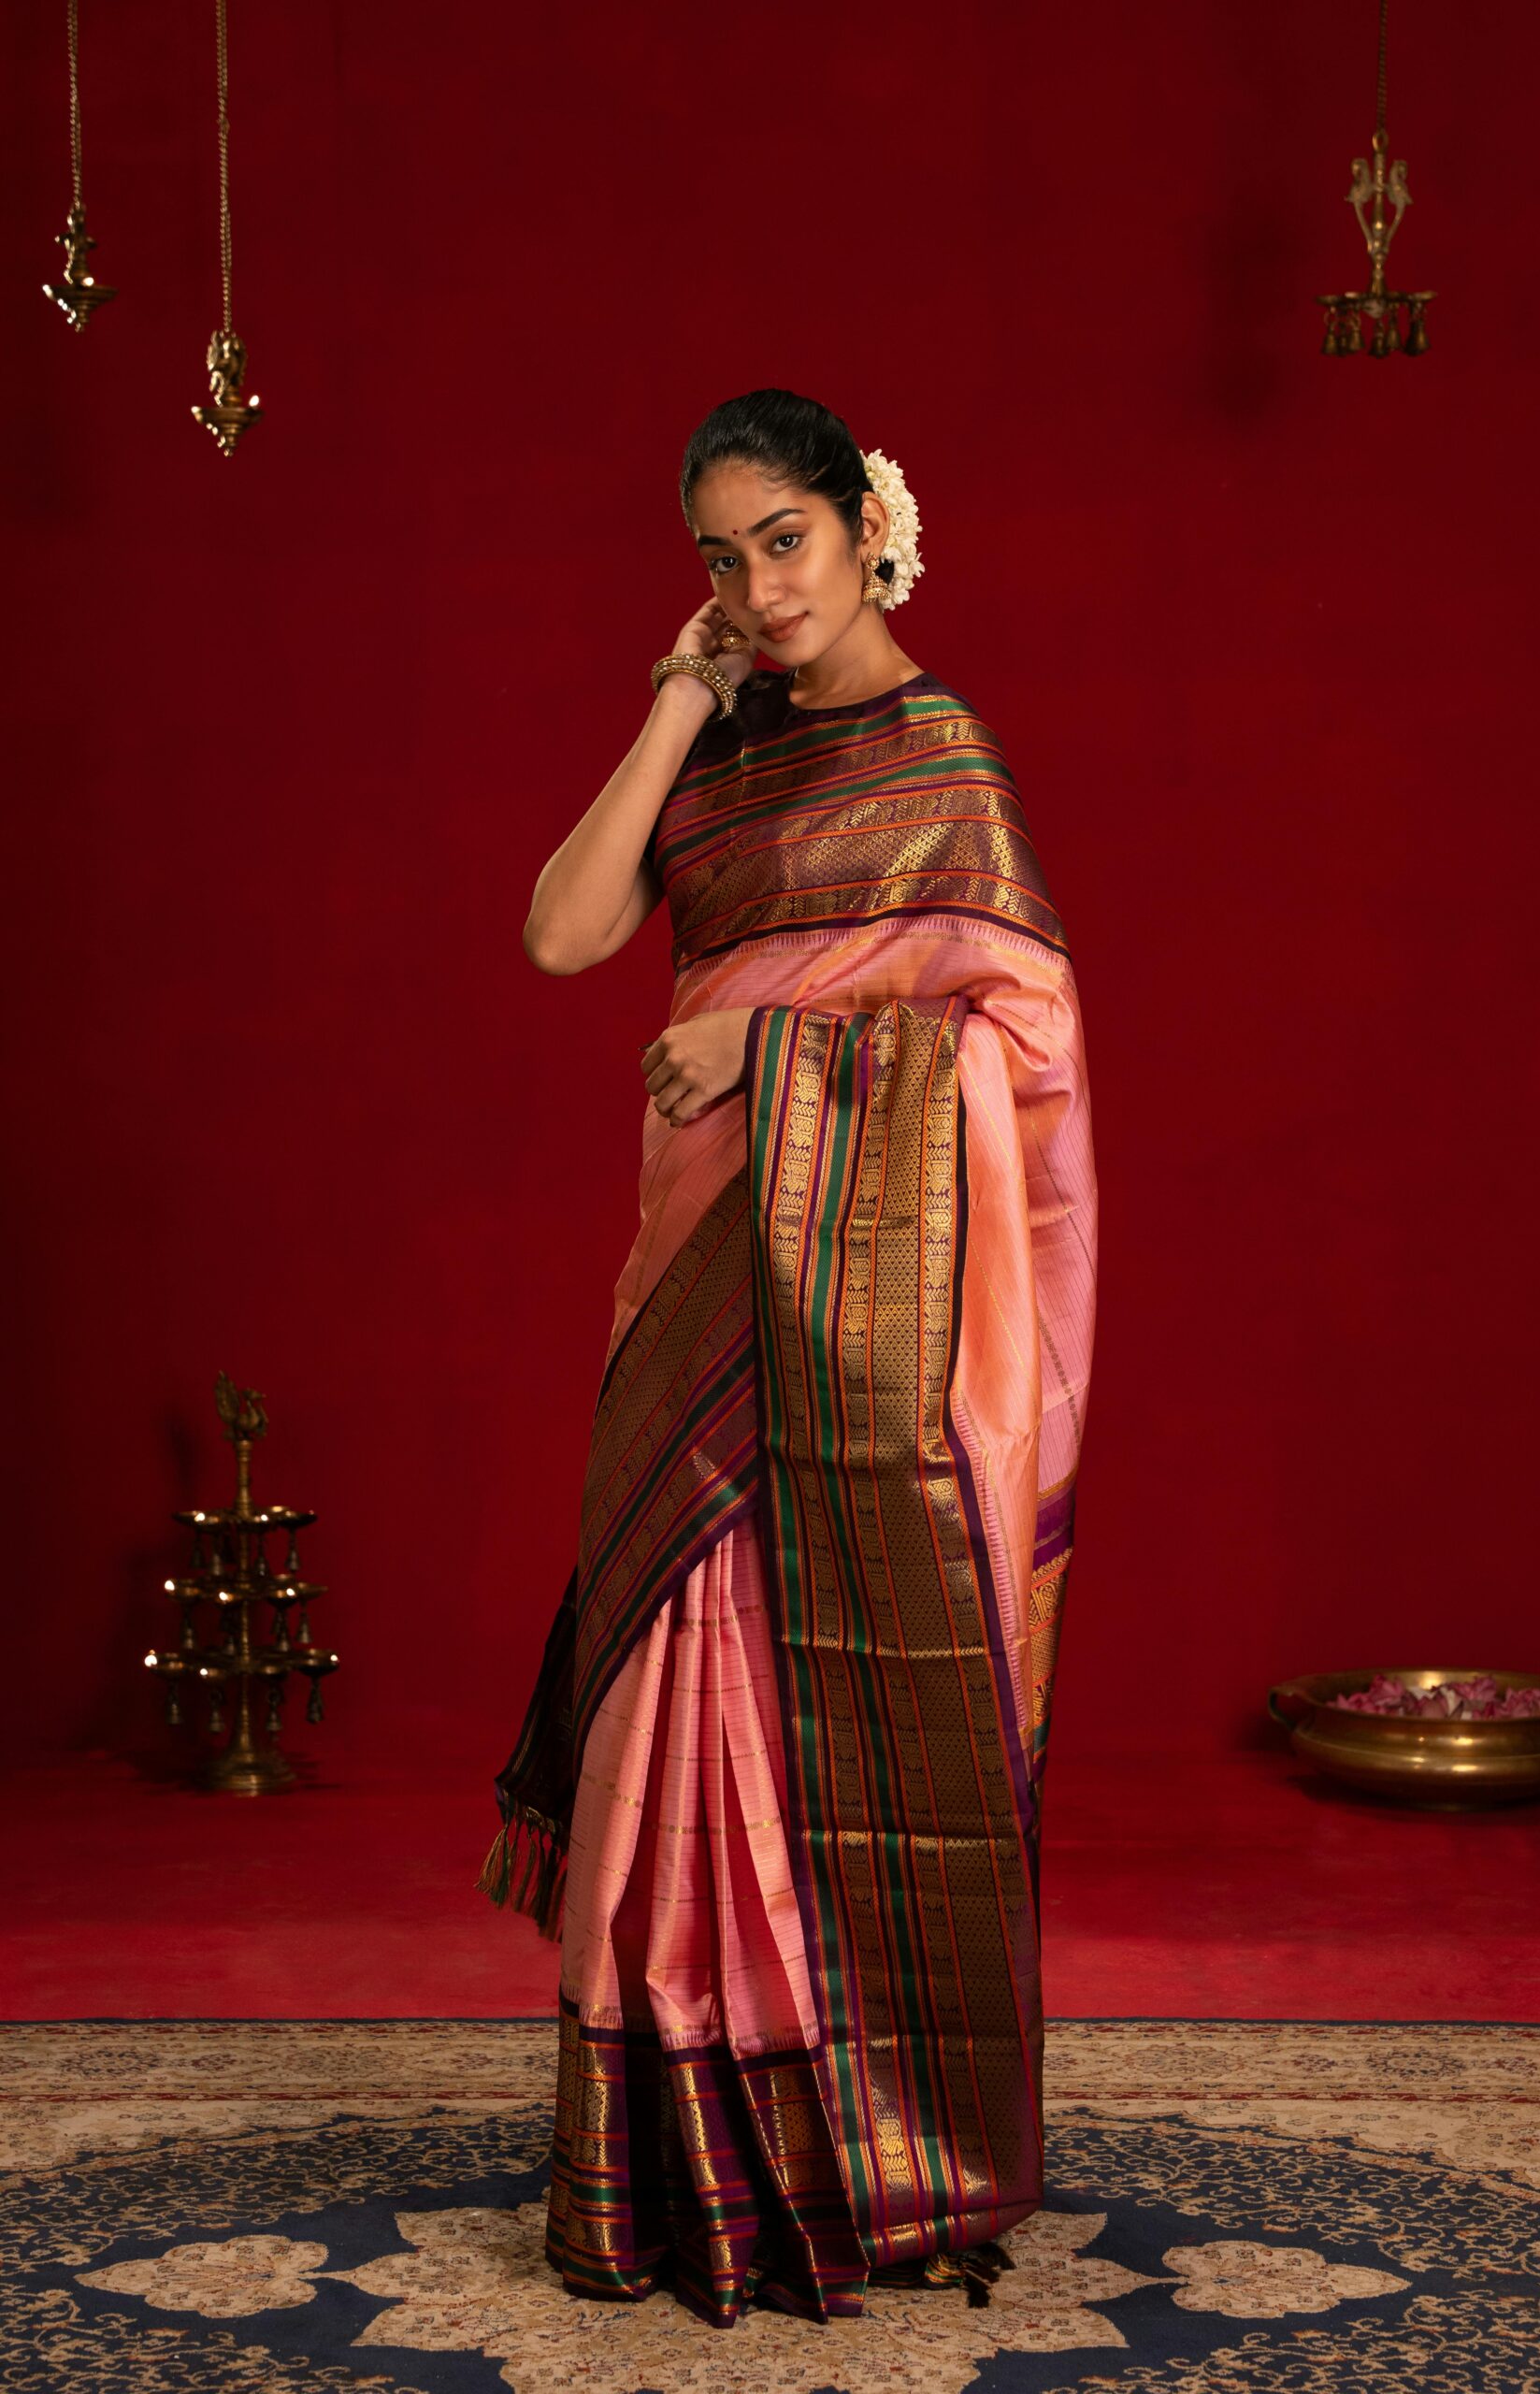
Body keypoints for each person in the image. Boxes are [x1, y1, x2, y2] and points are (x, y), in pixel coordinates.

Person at [476, 387, 1099, 2329]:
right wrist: (678, 699)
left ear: (864, 527)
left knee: (812, 1679)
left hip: (855, 1312)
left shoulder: (944, 760)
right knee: (669, 1670)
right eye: (721, 559)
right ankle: (672, 2140)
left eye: (784, 542)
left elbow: (1021, 1056)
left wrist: (768, 1045)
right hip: (696, 1276)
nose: (759, 588)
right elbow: (562, 934)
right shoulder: (722, 754)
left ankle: (844, 2139)